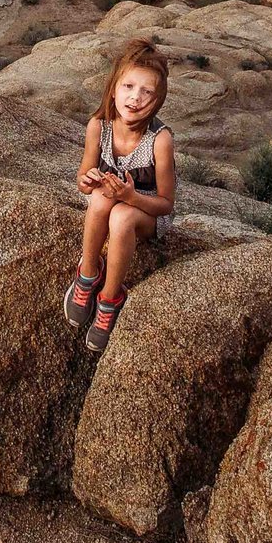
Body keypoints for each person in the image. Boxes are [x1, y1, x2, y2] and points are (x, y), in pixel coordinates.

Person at [63, 37, 176, 355]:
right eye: (128, 86)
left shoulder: (160, 140)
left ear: (157, 100)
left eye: (147, 92)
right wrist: (87, 180)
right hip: (109, 199)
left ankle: (110, 298)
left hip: (146, 211)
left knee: (121, 215)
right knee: (100, 199)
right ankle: (87, 275)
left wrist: (131, 197)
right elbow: (83, 178)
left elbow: (167, 203)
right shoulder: (99, 127)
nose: (135, 98)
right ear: (113, 88)